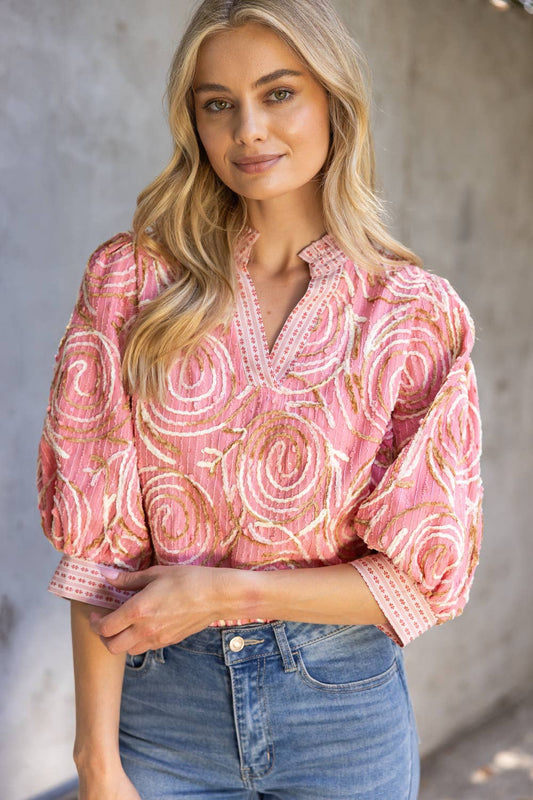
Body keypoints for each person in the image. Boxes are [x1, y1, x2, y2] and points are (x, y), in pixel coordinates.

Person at [37, 0, 483, 798]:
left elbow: (421, 578)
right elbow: (95, 549)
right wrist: (96, 762)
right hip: (158, 715)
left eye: (278, 93)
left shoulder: (413, 317)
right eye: (218, 104)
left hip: (342, 718)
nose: (247, 130)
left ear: (333, 100)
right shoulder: (132, 281)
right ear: (194, 121)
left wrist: (228, 592)